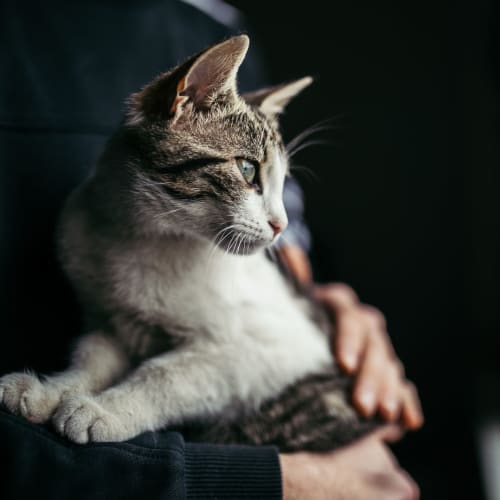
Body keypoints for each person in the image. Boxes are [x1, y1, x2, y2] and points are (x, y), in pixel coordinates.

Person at [0, 1, 422, 498]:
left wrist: (324, 295)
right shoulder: (84, 226)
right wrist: (69, 391)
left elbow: (248, 351)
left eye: (277, 186)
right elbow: (115, 334)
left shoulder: (217, 17)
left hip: (300, 427)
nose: (277, 221)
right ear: (184, 103)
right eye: (249, 174)